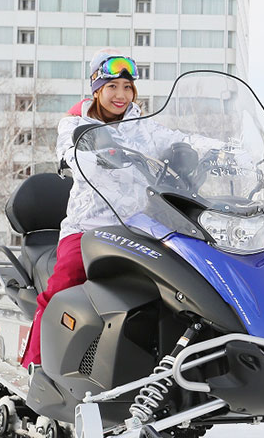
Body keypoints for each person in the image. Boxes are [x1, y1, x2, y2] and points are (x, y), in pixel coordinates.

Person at [20, 49, 184, 368]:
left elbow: (177, 139)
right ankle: (36, 368)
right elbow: (71, 153)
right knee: (62, 285)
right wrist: (94, 155)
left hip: (136, 228)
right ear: (97, 90)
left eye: (127, 87)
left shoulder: (143, 127)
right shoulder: (75, 124)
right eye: (112, 87)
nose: (121, 95)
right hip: (87, 228)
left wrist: (220, 154)